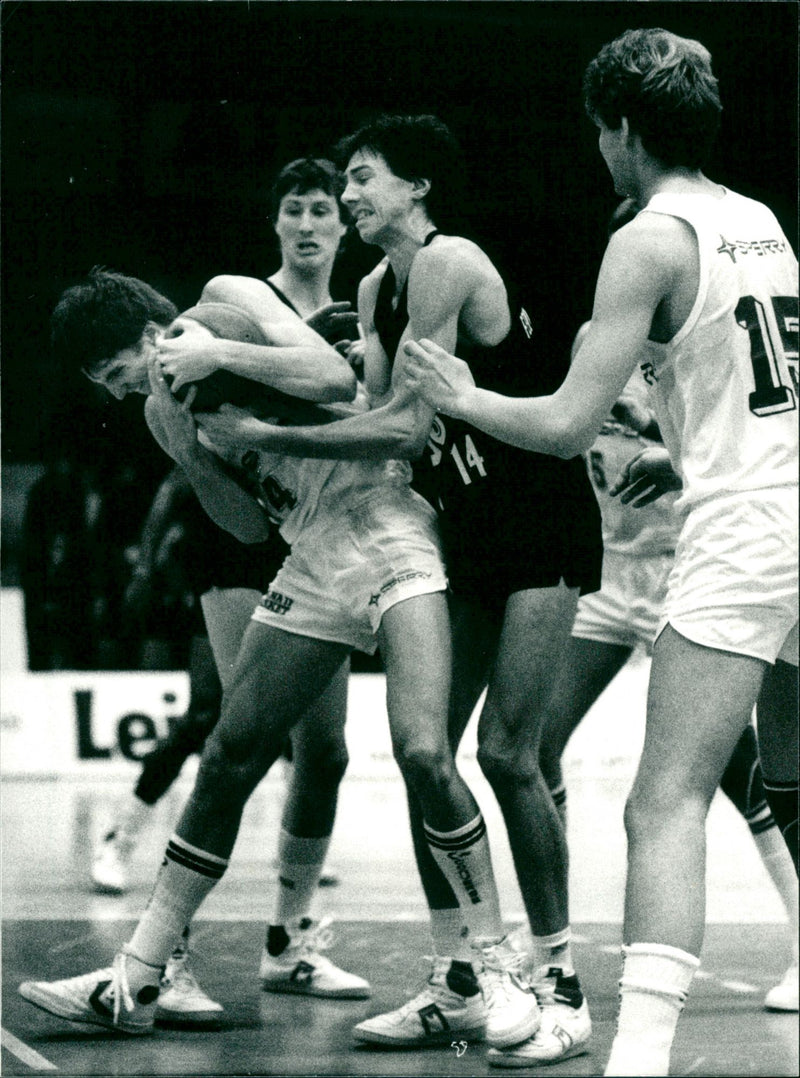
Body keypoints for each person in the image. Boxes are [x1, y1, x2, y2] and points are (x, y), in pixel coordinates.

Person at [401, 30, 798, 1076]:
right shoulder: (755, 220)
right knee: (790, 775)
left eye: (597, 131)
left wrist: (461, 397)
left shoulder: (649, 235)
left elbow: (571, 424)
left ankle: (637, 1061)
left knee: (660, 797)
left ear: (619, 130)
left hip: (747, 528)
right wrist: (677, 454)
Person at [19, 266, 525, 1049]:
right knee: (229, 752)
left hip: (388, 522)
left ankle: (489, 970)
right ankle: (140, 974)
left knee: (424, 750)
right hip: (310, 554)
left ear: (150, 338)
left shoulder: (228, 299)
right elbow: (251, 530)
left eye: (117, 374)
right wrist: (192, 455)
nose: (122, 394)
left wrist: (221, 353)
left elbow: (329, 376)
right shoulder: (161, 410)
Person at [196, 113, 601, 1062]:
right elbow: (366, 404)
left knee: (510, 755)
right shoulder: (377, 284)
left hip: (538, 525)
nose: (348, 195)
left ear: (417, 189)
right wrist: (255, 356)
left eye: (365, 178)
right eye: (344, 181)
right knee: (426, 752)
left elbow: (403, 432)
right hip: (466, 531)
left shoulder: (450, 260)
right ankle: (460, 977)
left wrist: (264, 433)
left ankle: (562, 983)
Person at [536, 306, 798, 1019]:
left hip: (688, 564)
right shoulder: (595, 337)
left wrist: (656, 435)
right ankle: (549, 948)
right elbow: (566, 431)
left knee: (730, 769)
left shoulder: (712, 339)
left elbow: (741, 444)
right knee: (531, 744)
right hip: (611, 570)